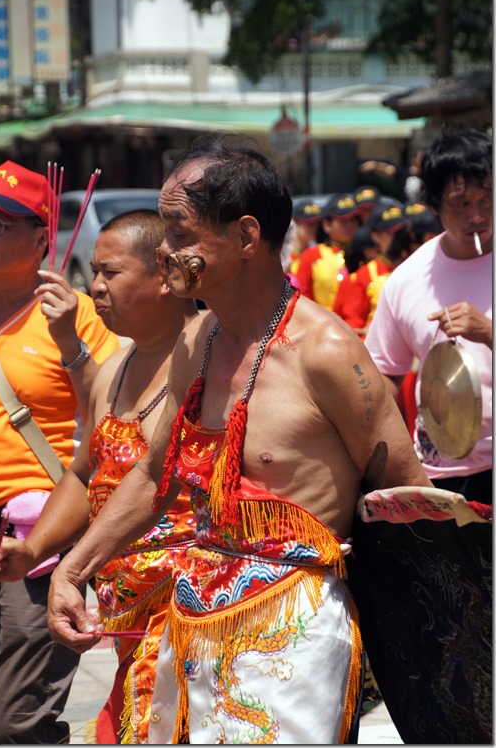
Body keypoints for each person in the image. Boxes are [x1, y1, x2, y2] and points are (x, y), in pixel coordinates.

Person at [45, 133, 430, 744]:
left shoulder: (326, 353)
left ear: (247, 237)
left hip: (293, 639)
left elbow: (409, 497)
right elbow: (153, 473)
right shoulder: (196, 342)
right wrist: (75, 567)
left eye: (179, 232)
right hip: (193, 622)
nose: (165, 251)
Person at [0, 209, 199, 744]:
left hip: (199, 613)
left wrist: (70, 568)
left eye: (110, 274)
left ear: (166, 275)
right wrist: (33, 550)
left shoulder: (213, 357)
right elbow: (87, 474)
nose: (96, 288)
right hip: (131, 613)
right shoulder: (115, 370)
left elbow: (156, 480)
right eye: (95, 276)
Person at [0, 160, 120, 743]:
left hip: (33, 534)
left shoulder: (76, 316)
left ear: (43, 237)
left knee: (15, 719)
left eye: (1, 223)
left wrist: (69, 340)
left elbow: (114, 414)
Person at [366, 128, 492, 503]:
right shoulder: (406, 279)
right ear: (434, 206)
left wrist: (489, 332)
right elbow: (384, 375)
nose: (478, 216)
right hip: (439, 472)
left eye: (488, 200)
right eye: (461, 203)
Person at [333, 201, 406, 334]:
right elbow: (353, 324)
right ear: (376, 236)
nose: (398, 238)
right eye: (391, 232)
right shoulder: (363, 276)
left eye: (400, 231)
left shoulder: (412, 266)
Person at [296, 192, 361, 310]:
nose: (350, 224)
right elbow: (302, 297)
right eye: (343, 220)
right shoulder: (311, 255)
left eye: (354, 219)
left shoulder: (365, 254)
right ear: (327, 225)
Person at [284, 198, 323, 278]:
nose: (315, 228)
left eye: (317, 223)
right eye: (309, 223)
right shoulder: (284, 255)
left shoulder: (317, 253)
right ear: (294, 222)